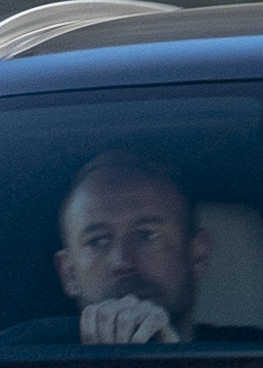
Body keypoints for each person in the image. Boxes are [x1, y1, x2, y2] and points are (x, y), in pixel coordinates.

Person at [44, 148, 200, 349]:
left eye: (147, 235)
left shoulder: (249, 357)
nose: (123, 262)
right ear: (69, 273)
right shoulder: (17, 361)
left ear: (197, 255)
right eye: (97, 241)